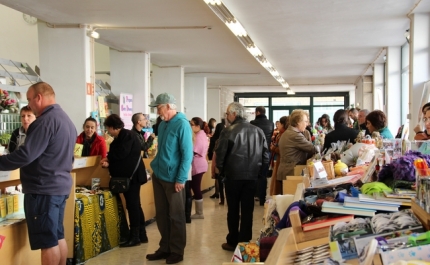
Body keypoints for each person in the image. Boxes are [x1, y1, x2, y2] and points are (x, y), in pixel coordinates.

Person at [0, 82, 76, 265]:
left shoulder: (44, 122)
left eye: (29, 99)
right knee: (57, 237)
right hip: (59, 186)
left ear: (39, 98)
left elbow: (27, 154)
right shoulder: (66, 120)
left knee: (47, 242)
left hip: (43, 189)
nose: (29, 105)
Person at [215, 102, 269, 251]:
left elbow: (220, 155)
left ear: (234, 114)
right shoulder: (258, 131)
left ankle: (232, 240)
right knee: (247, 209)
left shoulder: (227, 131)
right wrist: (261, 174)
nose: (226, 117)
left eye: (227, 114)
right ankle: (245, 240)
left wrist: (220, 170)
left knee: (233, 210)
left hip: (232, 176)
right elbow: (266, 156)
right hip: (252, 176)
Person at [146, 93, 193, 264]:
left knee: (176, 215)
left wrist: (180, 179)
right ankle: (165, 247)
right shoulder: (163, 125)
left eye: (159, 108)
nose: (158, 112)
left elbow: (187, 155)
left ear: (169, 106)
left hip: (174, 178)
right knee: (161, 214)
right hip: (159, 175)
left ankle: (177, 250)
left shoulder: (182, 124)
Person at [100, 114, 148, 247]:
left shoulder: (125, 136)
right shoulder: (125, 136)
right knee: (135, 205)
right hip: (132, 177)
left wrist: (109, 161)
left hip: (131, 178)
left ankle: (135, 237)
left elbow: (122, 154)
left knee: (132, 206)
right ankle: (141, 234)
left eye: (108, 128)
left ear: (111, 127)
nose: (108, 132)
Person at [277, 109, 318, 187]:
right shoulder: (295, 135)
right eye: (305, 121)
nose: (307, 124)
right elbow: (312, 148)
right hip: (291, 173)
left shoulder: (289, 132)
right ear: (298, 122)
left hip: (286, 172)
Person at [250, 106, 274, 206]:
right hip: (266, 152)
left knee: (253, 175)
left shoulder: (252, 123)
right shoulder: (271, 123)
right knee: (263, 176)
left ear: (258, 112)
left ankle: (253, 195)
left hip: (253, 153)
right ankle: (262, 198)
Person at [190, 117, 209, 219]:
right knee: (194, 187)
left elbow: (194, 151)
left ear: (198, 126)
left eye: (192, 124)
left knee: (196, 188)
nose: (190, 126)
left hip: (198, 165)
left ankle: (199, 212)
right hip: (198, 164)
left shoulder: (199, 136)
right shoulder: (199, 135)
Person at [269, 116, 289, 196]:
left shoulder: (284, 135)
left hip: (282, 161)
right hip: (279, 160)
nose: (278, 126)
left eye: (279, 124)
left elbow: (283, 149)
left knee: (279, 182)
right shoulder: (280, 134)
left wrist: (274, 148)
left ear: (283, 124)